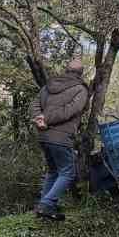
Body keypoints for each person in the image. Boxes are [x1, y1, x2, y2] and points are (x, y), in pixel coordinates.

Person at [33, 56, 90, 221]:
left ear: (66, 70)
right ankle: (47, 204)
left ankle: (44, 206)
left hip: (43, 135)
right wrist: (47, 119)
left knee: (53, 170)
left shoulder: (49, 86)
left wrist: (40, 118)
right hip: (61, 136)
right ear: (81, 74)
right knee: (67, 173)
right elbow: (70, 110)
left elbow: (35, 105)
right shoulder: (80, 89)